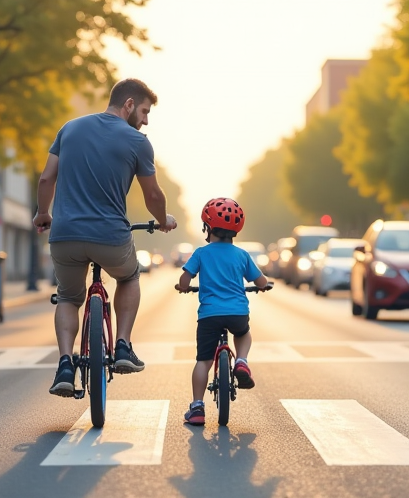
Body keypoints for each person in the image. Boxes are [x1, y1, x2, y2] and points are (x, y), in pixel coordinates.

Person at [33, 78, 178, 398]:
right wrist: (162, 220)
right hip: (110, 238)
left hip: (66, 236)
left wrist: (44, 213)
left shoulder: (68, 129)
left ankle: (65, 365)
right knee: (129, 277)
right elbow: (153, 194)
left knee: (69, 297)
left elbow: (46, 178)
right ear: (127, 105)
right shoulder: (138, 142)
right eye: (143, 111)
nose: (146, 120)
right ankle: (123, 346)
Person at [175, 197, 270, 425]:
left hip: (209, 315)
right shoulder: (242, 255)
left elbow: (185, 279)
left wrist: (183, 286)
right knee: (243, 332)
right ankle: (242, 361)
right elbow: (260, 280)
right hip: (237, 312)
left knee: (203, 361)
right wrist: (263, 285)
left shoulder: (201, 253)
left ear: (207, 227)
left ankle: (197, 408)